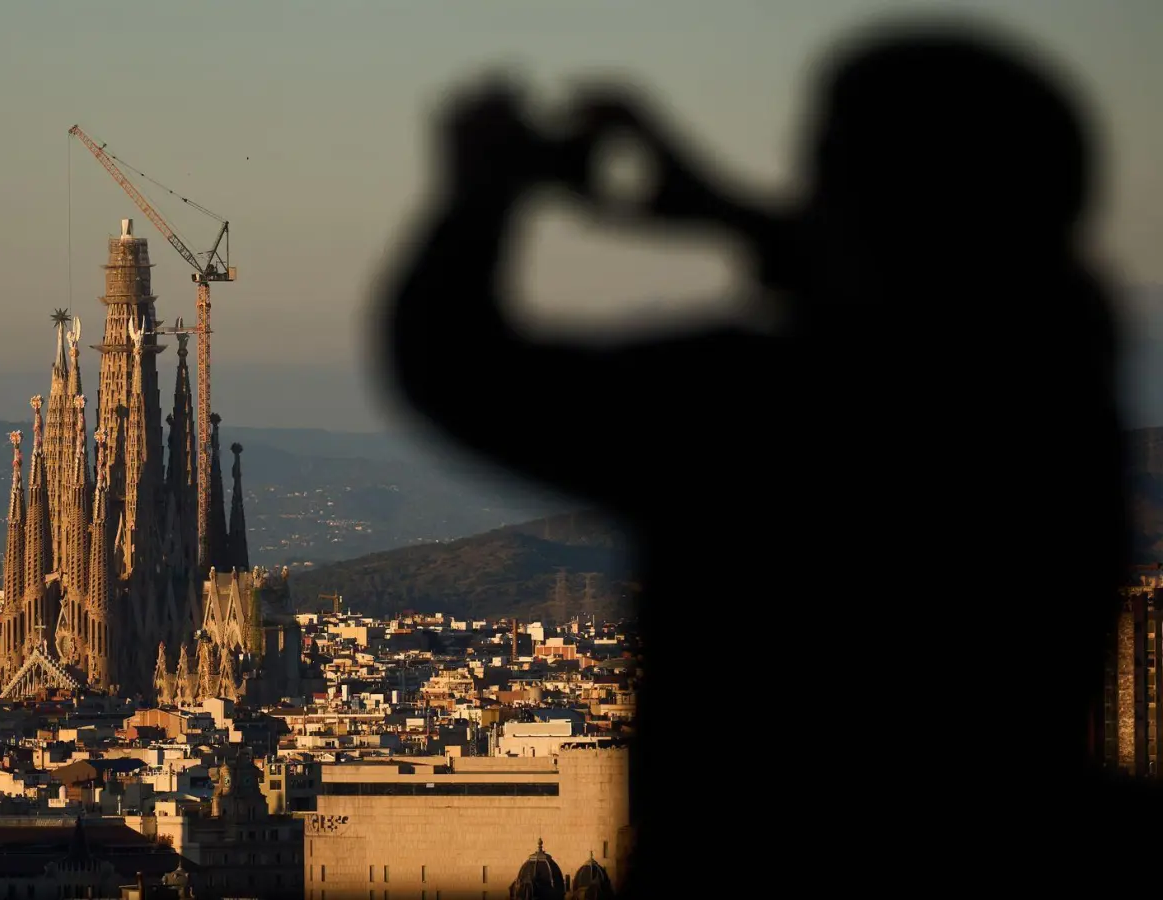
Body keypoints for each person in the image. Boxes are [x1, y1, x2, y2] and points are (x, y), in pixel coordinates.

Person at [381, 18, 1134, 892]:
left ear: (844, 192)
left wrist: (483, 192)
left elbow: (456, 365)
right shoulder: (1057, 397)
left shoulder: (763, 414)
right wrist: (729, 211)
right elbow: (941, 285)